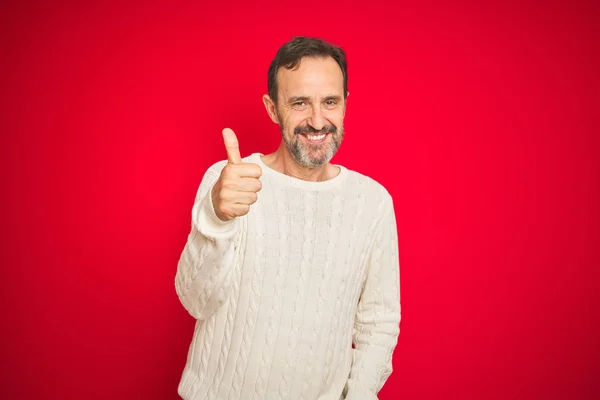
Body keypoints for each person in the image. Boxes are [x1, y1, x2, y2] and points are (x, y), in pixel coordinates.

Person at [175, 36, 401, 400]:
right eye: (299, 103)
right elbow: (194, 300)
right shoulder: (230, 181)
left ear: (345, 104)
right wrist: (216, 217)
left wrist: (358, 394)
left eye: (330, 102)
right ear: (272, 108)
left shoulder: (371, 202)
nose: (317, 121)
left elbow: (380, 321)